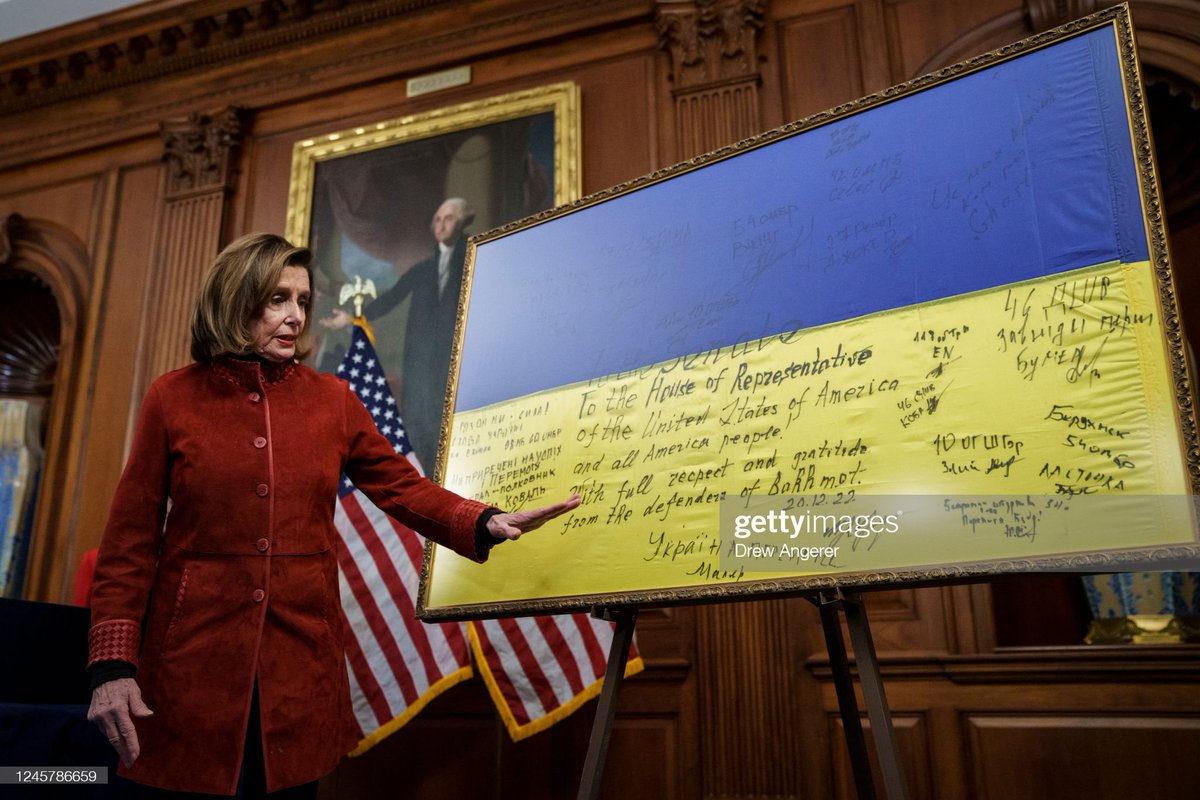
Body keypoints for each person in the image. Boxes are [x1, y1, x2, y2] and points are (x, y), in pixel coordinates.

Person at [86, 233, 578, 798]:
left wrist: (485, 519)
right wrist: (112, 668)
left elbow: (403, 488)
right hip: (189, 668)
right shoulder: (171, 398)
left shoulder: (333, 400)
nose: (295, 316)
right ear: (234, 300)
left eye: (302, 301)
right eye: (277, 299)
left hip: (300, 669)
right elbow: (129, 543)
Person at [322, 197, 472, 468]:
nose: (441, 225)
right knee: (423, 427)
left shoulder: (474, 261)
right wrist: (353, 318)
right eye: (437, 219)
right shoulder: (423, 270)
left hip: (459, 361)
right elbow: (392, 298)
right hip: (423, 364)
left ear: (462, 222)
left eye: (448, 218)